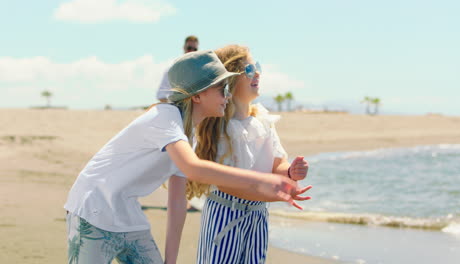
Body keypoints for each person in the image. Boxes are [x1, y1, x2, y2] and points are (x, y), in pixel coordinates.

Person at [64, 50, 310, 264]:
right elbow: (194, 169)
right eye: (221, 88)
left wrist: (171, 260)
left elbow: (178, 203)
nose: (227, 94)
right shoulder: (165, 117)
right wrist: (262, 182)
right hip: (92, 210)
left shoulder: (187, 136)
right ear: (197, 96)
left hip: (128, 216)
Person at [190, 45, 311, 264]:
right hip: (225, 214)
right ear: (229, 81)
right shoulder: (219, 127)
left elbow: (278, 163)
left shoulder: (263, 121)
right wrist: (274, 193)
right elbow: (227, 184)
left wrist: (290, 172)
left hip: (258, 216)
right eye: (248, 70)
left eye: (257, 67)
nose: (257, 73)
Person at [156, 35, 199, 102]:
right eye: (189, 48)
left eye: (195, 49)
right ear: (184, 48)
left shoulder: (200, 71)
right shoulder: (171, 70)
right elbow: (161, 95)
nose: (191, 51)